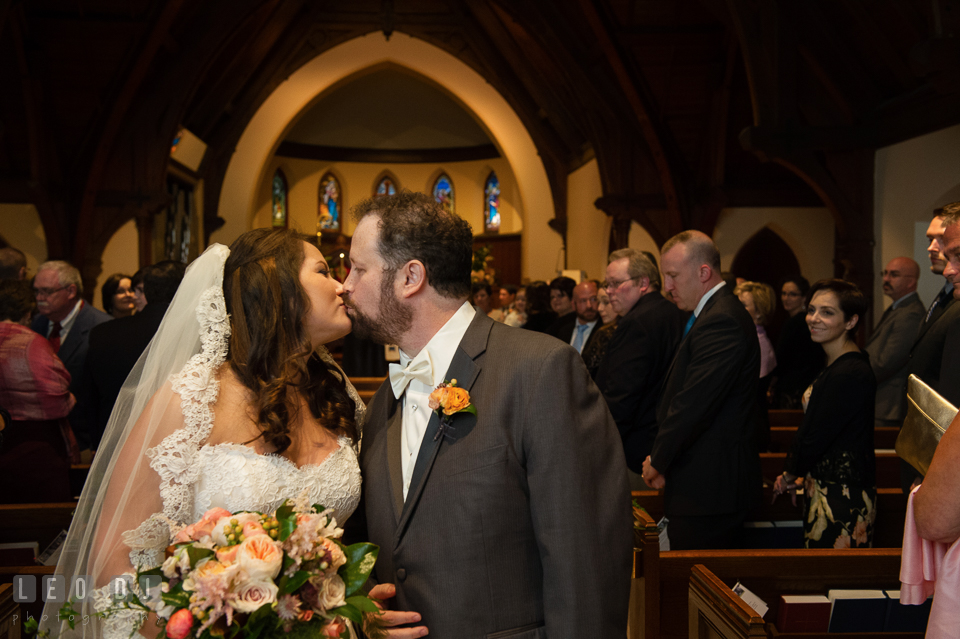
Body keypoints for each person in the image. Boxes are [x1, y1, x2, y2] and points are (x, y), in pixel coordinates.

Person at [41, 228, 370, 639]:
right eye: (323, 271)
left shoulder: (334, 395)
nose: (342, 287)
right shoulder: (192, 399)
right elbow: (114, 564)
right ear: (275, 288)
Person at [342, 192, 632, 638]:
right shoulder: (384, 400)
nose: (345, 285)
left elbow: (584, 562)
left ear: (410, 277)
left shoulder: (540, 372)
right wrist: (364, 611)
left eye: (359, 269)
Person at [642, 230, 761, 550]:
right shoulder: (713, 313)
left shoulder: (722, 319)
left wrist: (660, 459)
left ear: (704, 272)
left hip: (711, 487)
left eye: (672, 276)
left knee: (699, 588)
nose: (666, 287)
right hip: (704, 483)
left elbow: (695, 402)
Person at [773, 279, 877, 549]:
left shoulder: (849, 371)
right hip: (826, 486)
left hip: (841, 494)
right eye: (811, 310)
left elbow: (816, 433)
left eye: (827, 312)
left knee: (835, 578)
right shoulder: (837, 363)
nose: (813, 319)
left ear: (851, 322)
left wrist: (788, 474)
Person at [597, 248, 684, 476]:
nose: (609, 291)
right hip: (661, 440)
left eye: (615, 283)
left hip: (635, 448)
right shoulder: (673, 311)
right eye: (607, 284)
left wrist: (598, 444)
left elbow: (622, 396)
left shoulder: (636, 323)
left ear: (643, 282)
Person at [81, 261, 187, 449]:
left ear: (145, 291)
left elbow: (90, 398)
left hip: (114, 443)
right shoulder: (191, 332)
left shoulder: (103, 333)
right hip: (174, 443)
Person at [0, 280, 75, 502]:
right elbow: (57, 394)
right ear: (26, 312)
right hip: (35, 445)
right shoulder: (33, 343)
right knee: (44, 521)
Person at [31, 260, 111, 451]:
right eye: (36, 291)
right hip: (43, 436)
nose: (39, 298)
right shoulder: (35, 324)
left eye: (47, 291)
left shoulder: (101, 328)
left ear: (71, 291)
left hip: (84, 439)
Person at [864, 257, 924, 429]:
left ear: (911, 282)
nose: (886, 279)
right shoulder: (898, 308)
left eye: (894, 275)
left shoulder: (910, 314)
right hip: (880, 400)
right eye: (886, 273)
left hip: (887, 405)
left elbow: (887, 362)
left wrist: (856, 377)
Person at [735, 281, 778, 452]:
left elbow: (751, 390)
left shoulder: (758, 343)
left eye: (743, 305)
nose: (736, 309)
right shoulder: (748, 337)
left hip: (751, 428)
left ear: (759, 313)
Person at [771, 276, 823, 408]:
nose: (786, 298)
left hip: (794, 387)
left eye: (792, 294)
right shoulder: (804, 321)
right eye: (783, 293)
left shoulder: (796, 323)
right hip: (806, 384)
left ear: (804, 298)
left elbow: (780, 359)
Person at [550, 279, 603, 354]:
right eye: (583, 301)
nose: (589, 305)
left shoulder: (604, 330)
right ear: (573, 304)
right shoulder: (563, 331)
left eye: (593, 299)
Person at [581, 285, 618, 379]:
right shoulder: (602, 331)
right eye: (598, 302)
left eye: (606, 302)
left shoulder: (606, 334)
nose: (599, 308)